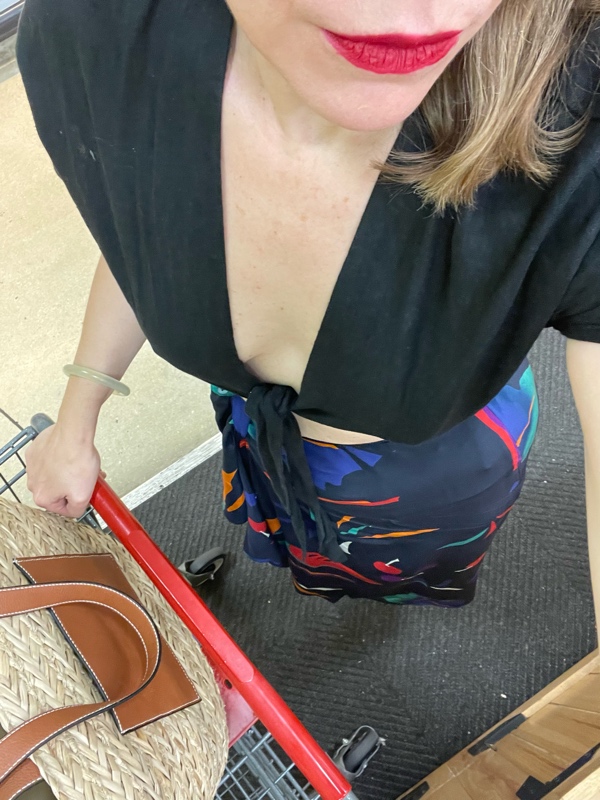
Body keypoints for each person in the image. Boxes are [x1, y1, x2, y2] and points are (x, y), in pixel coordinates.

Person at [18, 0, 600, 610]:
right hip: (261, 439)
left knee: (398, 580)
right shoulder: (101, 34)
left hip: (426, 490)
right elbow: (141, 230)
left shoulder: (578, 109)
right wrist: (77, 417)